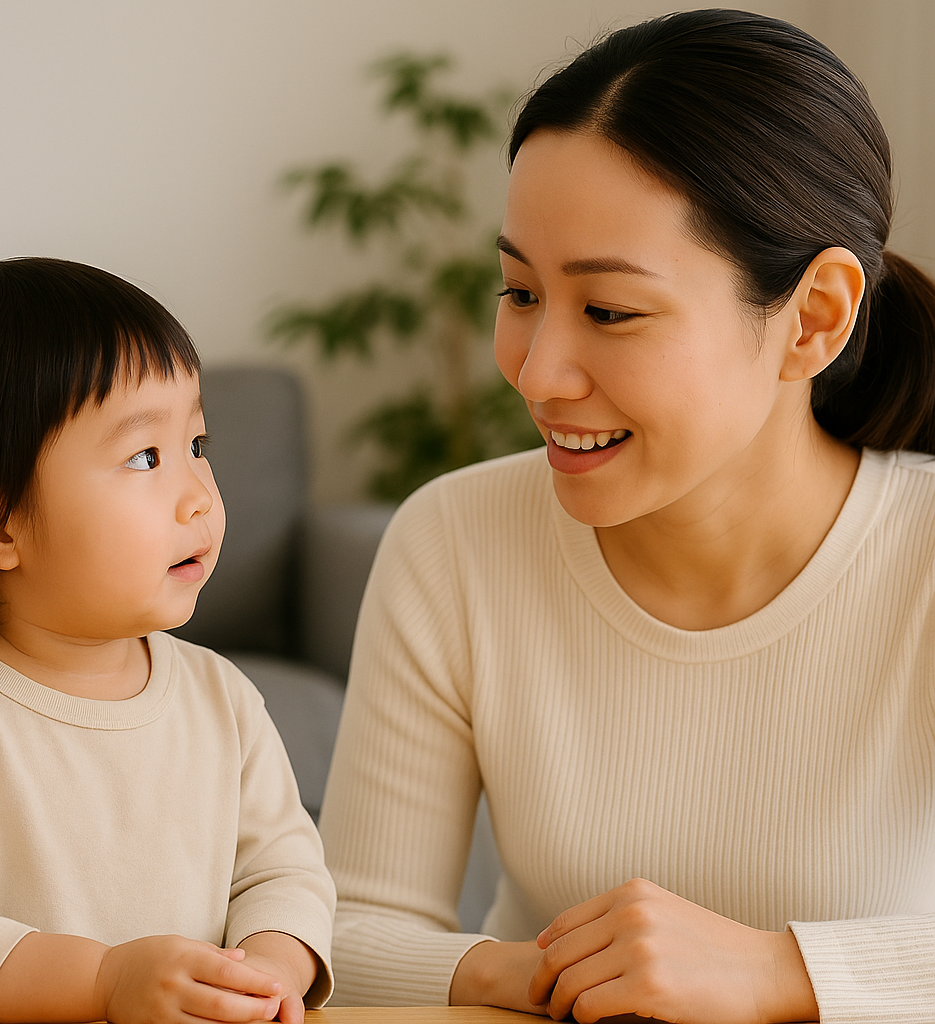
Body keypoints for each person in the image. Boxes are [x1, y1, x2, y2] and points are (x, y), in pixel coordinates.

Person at [318, 9, 935, 1023]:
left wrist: (776, 972)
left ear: (814, 316)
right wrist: (531, 975)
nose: (536, 370)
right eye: (518, 291)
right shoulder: (455, 541)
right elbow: (345, 937)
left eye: (609, 311)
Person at [0, 258, 335, 1024]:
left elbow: (284, 872)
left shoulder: (224, 700)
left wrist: (267, 972)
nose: (198, 496)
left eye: (198, 447)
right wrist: (104, 983)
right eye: (145, 457)